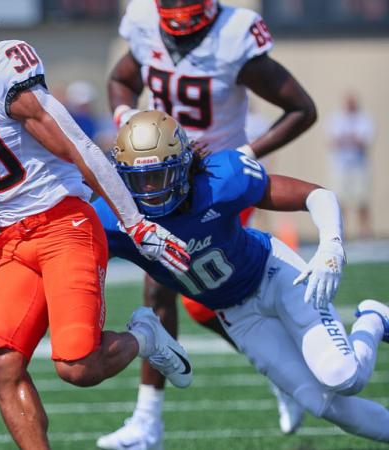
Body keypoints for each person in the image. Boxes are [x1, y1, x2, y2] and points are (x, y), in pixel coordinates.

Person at [0, 1, 194, 448]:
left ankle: (144, 335)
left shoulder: (1, 70)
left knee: (78, 366)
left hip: (64, 223)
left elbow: (77, 144)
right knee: (1, 359)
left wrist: (135, 223)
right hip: (10, 240)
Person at [95, 111, 389, 446]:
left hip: (276, 275)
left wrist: (331, 245)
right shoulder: (112, 219)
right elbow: (77, 269)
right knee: (323, 405)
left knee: (343, 376)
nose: (150, 191)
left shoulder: (221, 179)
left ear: (182, 166)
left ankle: (373, 318)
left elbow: (317, 196)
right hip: (237, 316)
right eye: (139, 179)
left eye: (160, 176)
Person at [103, 0, 317, 443]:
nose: (179, 24)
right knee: (166, 284)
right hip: (155, 178)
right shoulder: (144, 22)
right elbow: (122, 79)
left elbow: (302, 108)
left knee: (192, 297)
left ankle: (152, 418)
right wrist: (127, 118)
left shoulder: (234, 35)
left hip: (211, 185)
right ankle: (148, 420)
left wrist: (245, 157)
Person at [327, 92, 374, 239]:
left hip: (358, 166)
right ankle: (342, 231)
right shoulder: (336, 118)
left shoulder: (364, 118)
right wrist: (351, 139)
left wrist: (348, 139)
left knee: (361, 199)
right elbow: (333, 141)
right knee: (340, 200)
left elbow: (364, 142)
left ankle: (364, 232)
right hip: (340, 167)